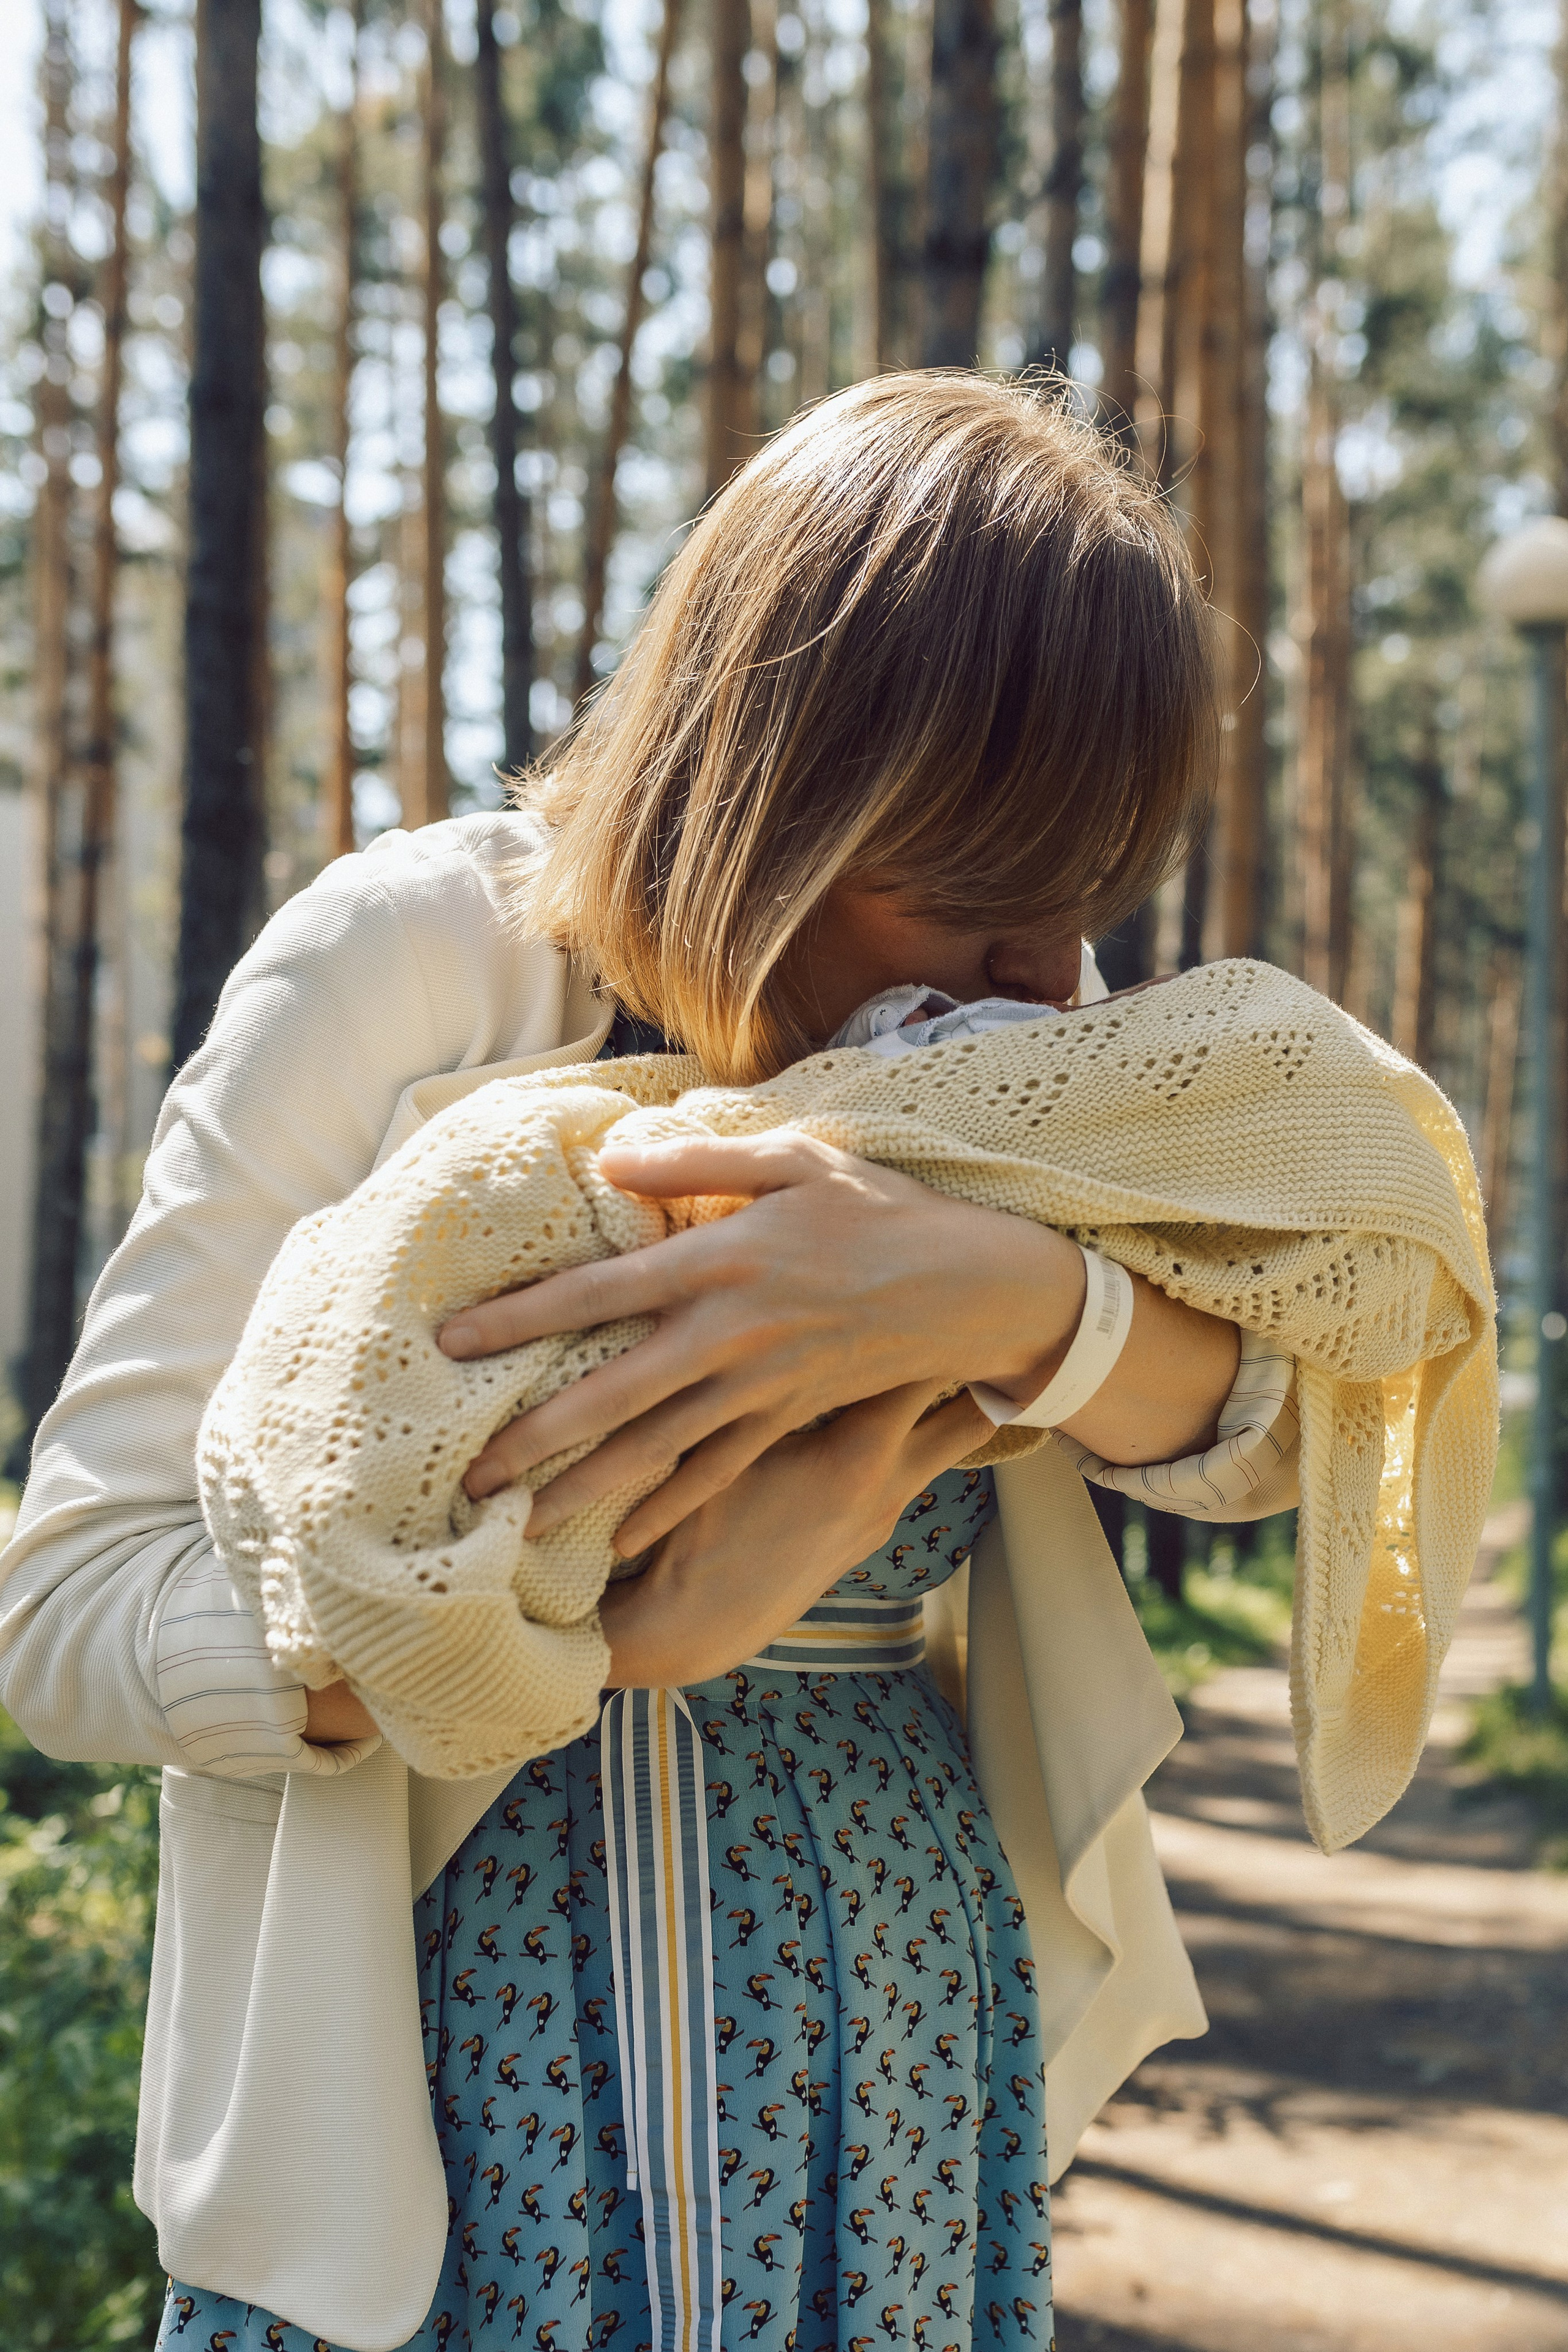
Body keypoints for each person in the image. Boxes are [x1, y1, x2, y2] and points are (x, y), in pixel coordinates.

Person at [0, 375, 1303, 2352]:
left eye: (1088, 900)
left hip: (894, 2051)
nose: (1053, 979)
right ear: (770, 780)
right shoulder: (420, 959)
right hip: (444, 2085)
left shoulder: (1014, 1029)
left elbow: (1271, 1426)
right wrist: (571, 1633)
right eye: (973, 895)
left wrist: (1010, 1307)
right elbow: (67, 1609)